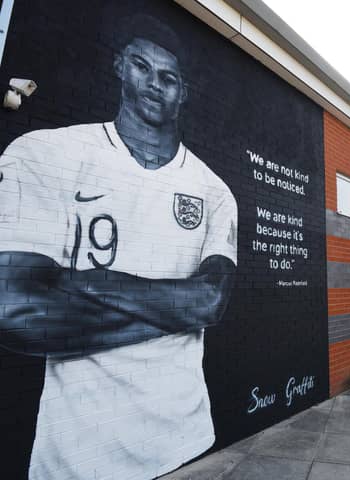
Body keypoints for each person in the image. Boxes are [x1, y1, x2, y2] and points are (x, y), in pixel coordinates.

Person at [0, 14, 237, 480]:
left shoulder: (215, 192)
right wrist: (174, 307)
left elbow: (210, 300)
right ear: (119, 67)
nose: (154, 84)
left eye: (168, 77)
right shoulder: (45, 154)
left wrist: (85, 284)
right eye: (142, 67)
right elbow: (18, 313)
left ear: (183, 93)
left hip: (190, 441)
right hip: (73, 456)